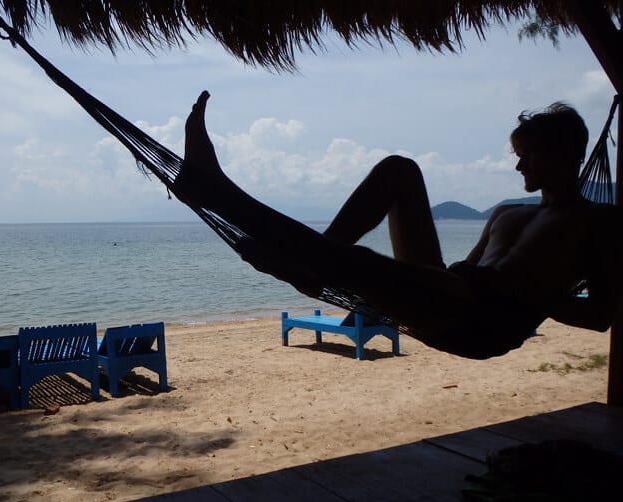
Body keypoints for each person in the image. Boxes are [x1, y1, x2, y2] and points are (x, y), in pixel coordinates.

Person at [173, 91, 620, 359]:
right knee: (398, 169)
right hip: (452, 296)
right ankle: (315, 262)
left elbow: (603, 317)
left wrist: (539, 300)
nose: (519, 162)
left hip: (488, 323)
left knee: (362, 264)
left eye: (529, 153)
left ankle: (218, 193)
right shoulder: (508, 212)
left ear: (566, 153)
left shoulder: (595, 222)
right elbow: (461, 272)